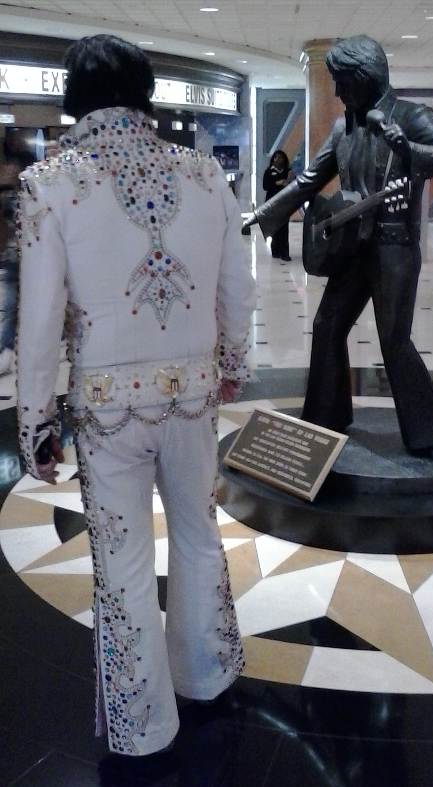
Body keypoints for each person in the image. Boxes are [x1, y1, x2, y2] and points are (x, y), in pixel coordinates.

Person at [16, 34, 255, 764]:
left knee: (121, 560)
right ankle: (208, 677)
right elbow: (236, 285)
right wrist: (234, 361)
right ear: (145, 90)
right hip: (191, 396)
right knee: (197, 533)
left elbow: (37, 320)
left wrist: (35, 419)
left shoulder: (50, 183)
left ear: (75, 96)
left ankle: (147, 725)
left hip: (105, 406)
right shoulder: (204, 172)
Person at [244, 35, 433, 463]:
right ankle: (325, 420)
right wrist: (263, 214)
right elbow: (309, 179)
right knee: (328, 324)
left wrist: (409, 149)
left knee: (394, 339)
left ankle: (429, 434)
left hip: (394, 247)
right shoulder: (342, 128)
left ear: (364, 77)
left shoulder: (411, 116)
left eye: (341, 81)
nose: (336, 92)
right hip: (352, 246)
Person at [0, 159, 19, 375]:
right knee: (9, 306)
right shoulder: (9, 199)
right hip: (11, 259)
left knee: (10, 307)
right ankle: (5, 348)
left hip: (17, 259)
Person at [262, 150, 294, 260]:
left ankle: (285, 253)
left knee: (284, 228)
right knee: (274, 228)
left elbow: (292, 184)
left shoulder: (288, 171)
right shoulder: (269, 172)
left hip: (285, 203)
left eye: (280, 157)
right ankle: (275, 250)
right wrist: (277, 183)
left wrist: (288, 180)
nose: (278, 159)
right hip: (272, 204)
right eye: (276, 157)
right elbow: (265, 186)